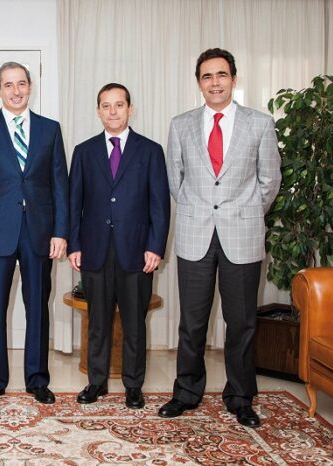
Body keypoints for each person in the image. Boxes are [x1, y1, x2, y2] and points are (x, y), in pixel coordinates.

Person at [159, 48, 281, 428]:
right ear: (199, 82)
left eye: (222, 75)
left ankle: (241, 397)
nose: (215, 82)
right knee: (192, 323)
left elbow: (270, 181)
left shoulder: (259, 124)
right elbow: (174, 180)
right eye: (207, 76)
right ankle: (186, 392)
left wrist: (242, 212)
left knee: (241, 322)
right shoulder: (181, 125)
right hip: (195, 233)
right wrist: (202, 209)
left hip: (242, 234)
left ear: (234, 78)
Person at [0, 62, 69, 406]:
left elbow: (60, 186)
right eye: (8, 85)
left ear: (30, 86)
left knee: (38, 306)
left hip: (39, 233)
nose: (16, 91)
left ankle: (37, 380)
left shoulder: (50, 130)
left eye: (21, 83)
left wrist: (60, 231)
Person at [68, 83, 170, 408]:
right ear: (98, 110)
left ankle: (133, 386)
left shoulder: (150, 151)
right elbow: (74, 204)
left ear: (130, 109)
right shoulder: (83, 152)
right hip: (95, 251)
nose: (112, 111)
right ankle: (96, 383)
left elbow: (160, 205)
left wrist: (155, 246)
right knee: (97, 322)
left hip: (137, 252)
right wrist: (74, 245)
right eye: (106, 106)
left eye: (119, 105)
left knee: (134, 324)